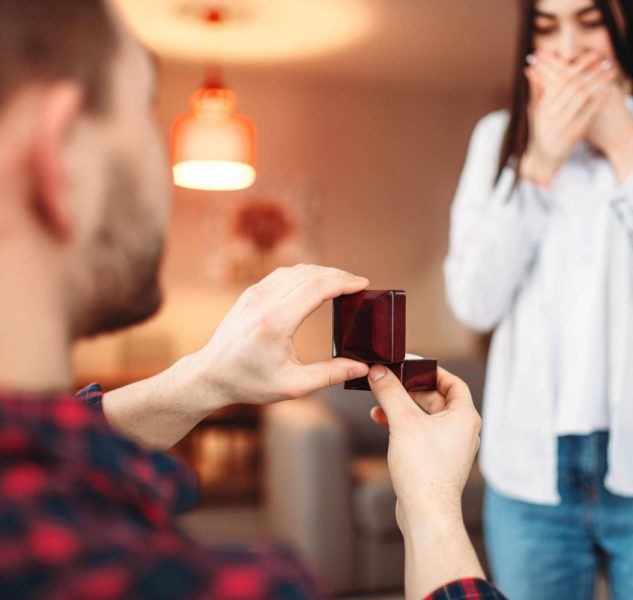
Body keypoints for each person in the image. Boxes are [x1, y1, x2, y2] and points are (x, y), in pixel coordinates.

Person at [0, 1, 506, 598]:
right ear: (60, 160)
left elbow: (63, 448)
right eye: (146, 111)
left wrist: (204, 378)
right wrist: (432, 505)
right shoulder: (228, 585)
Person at [444, 0, 633, 598]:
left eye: (590, 23)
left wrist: (624, 142)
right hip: (530, 475)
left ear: (630, 20)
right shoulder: (497, 136)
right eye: (546, 27)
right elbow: (474, 300)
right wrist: (540, 164)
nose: (567, 49)